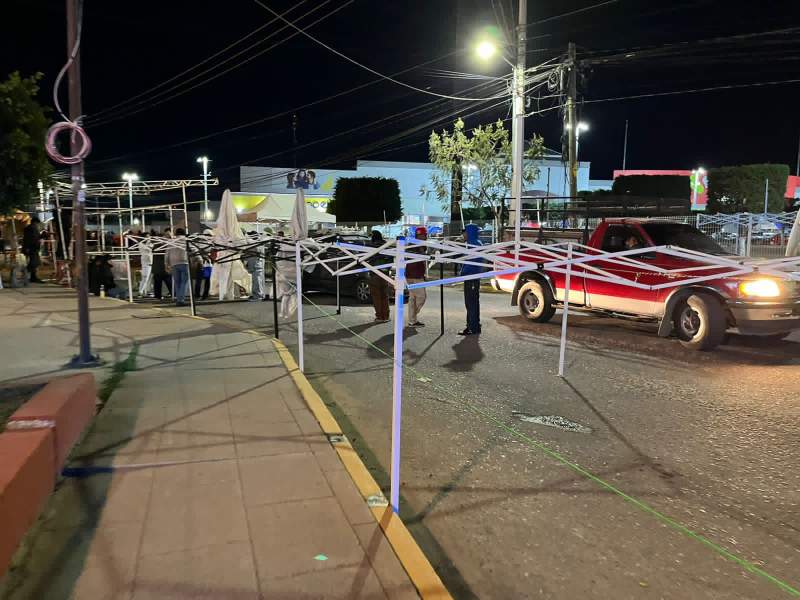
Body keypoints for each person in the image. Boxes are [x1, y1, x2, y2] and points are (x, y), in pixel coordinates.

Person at [459, 223, 484, 336]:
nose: (463, 235)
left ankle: (472, 327)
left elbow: (471, 263)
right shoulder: (476, 243)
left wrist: (462, 272)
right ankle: (474, 325)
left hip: (471, 277)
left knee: (471, 303)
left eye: (464, 232)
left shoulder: (473, 244)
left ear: (468, 232)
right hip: (474, 277)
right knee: (473, 303)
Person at [405, 226, 428, 327]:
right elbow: (419, 261)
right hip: (415, 276)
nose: (425, 236)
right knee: (421, 297)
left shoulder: (418, 245)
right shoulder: (415, 245)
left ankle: (412, 320)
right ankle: (413, 316)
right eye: (423, 235)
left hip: (412, 275)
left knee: (413, 298)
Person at [368, 229, 390, 322]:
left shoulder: (372, 246)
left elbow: (368, 259)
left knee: (376, 296)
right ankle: (386, 316)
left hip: (375, 274)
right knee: (384, 296)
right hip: (385, 274)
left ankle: (379, 316)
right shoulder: (387, 246)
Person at [166, 228, 190, 306]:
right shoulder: (186, 240)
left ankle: (178, 299)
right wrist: (198, 259)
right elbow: (192, 249)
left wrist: (166, 264)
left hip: (173, 263)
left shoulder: (171, 241)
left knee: (177, 282)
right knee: (184, 282)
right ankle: (181, 300)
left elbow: (167, 253)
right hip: (184, 262)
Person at [244, 231, 265, 301]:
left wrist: (246, 236)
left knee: (257, 281)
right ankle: (256, 294)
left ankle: (258, 296)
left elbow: (251, 244)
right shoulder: (256, 242)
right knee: (255, 281)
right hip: (254, 265)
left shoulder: (258, 243)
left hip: (256, 265)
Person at [151, 234, 172, 300]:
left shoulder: (154, 246)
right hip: (163, 268)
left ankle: (158, 296)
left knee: (157, 284)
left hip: (156, 269)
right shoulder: (164, 247)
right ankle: (174, 294)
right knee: (169, 282)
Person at [22, 217, 42, 283]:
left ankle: (33, 276)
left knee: (35, 262)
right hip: (31, 248)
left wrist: (44, 235)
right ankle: (27, 272)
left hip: (33, 248)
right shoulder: (30, 228)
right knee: (34, 262)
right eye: (37, 223)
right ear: (35, 222)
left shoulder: (33, 228)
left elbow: (37, 237)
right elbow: (28, 239)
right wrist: (27, 248)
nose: (37, 225)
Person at [138, 233, 153, 297]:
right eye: (147, 237)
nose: (148, 238)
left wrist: (149, 243)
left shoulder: (150, 243)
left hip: (150, 262)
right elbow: (148, 249)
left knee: (149, 278)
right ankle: (140, 291)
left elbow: (151, 247)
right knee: (145, 277)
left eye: (149, 237)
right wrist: (148, 243)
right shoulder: (141, 244)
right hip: (145, 262)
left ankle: (147, 291)